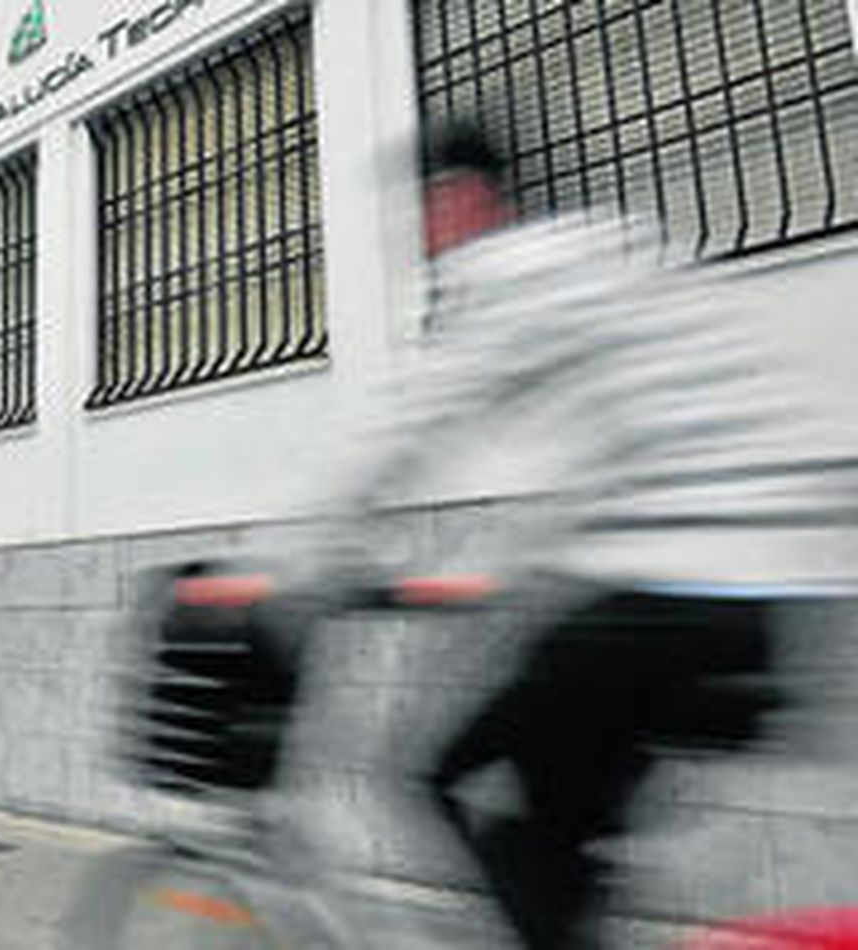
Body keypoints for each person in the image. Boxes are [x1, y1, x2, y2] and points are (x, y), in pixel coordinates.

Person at [332, 123, 858, 948]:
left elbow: (412, 431)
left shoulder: (506, 273)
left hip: (667, 600)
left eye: (424, 215)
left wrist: (288, 559)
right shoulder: (614, 253)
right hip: (762, 602)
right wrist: (498, 570)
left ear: (460, 197)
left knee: (442, 774)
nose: (424, 239)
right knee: (562, 830)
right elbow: (613, 465)